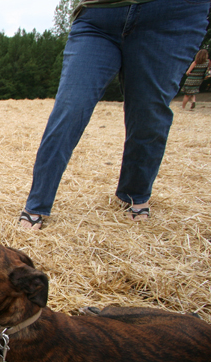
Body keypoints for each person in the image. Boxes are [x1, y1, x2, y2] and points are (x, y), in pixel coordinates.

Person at [19, 0, 210, 231]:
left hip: (171, 17)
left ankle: (135, 194)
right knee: (70, 107)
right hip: (99, 13)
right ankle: (37, 204)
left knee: (148, 113)